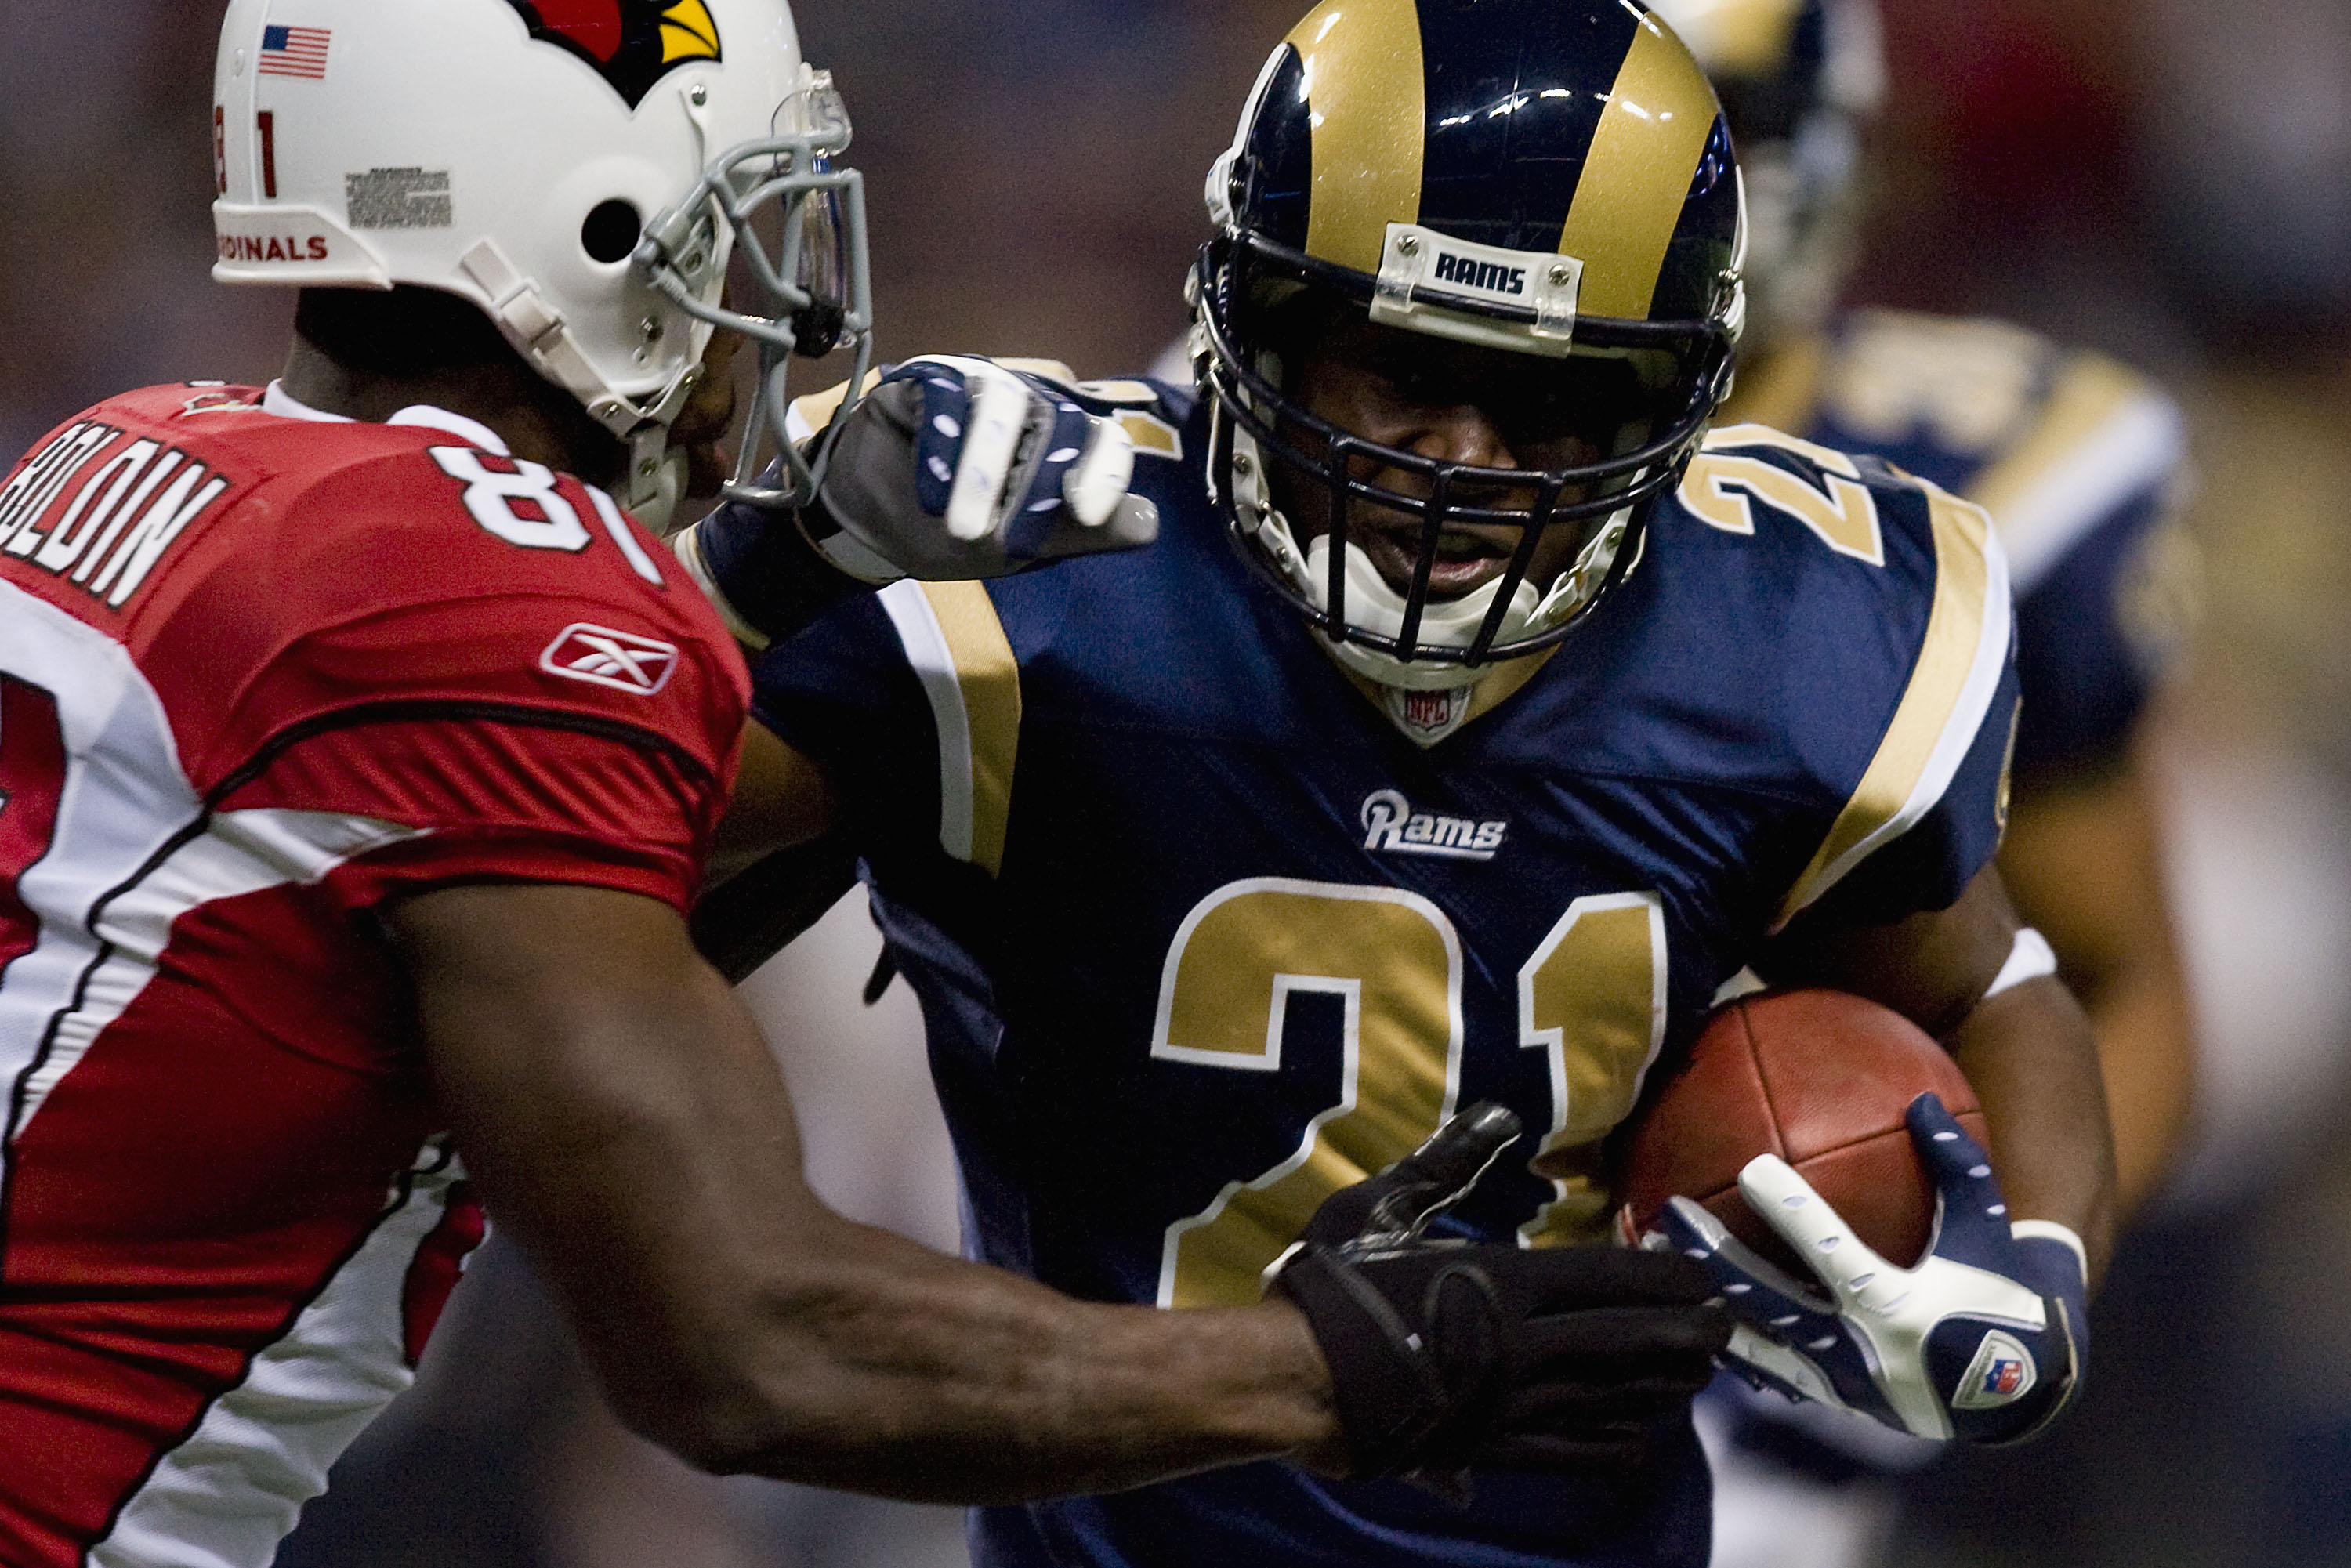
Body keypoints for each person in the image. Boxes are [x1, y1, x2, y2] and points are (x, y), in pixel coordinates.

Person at [0, 2, 1737, 1564]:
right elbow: (743, 1343)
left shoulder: (140, 442)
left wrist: (784, 569)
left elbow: (485, 930)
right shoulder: (477, 587)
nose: (771, 306)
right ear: (597, 229)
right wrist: (1347, 1364)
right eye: (733, 227)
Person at [683, 2, 2118, 1563]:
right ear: (1254, 319)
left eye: (1553, 399)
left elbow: (1999, 987)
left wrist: (2028, 1260)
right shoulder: (1027, 577)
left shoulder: (1788, 647)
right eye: (1399, 367)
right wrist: (750, 589)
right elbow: (599, 892)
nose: (1461, 458)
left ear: (1676, 404)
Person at [1628, 2, 2198, 1559]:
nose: (1653, 183)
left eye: (1712, 121)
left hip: (1747, 1387)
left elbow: (2117, 980)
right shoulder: (1308, 425)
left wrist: (1997, 1273)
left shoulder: (2003, 477)